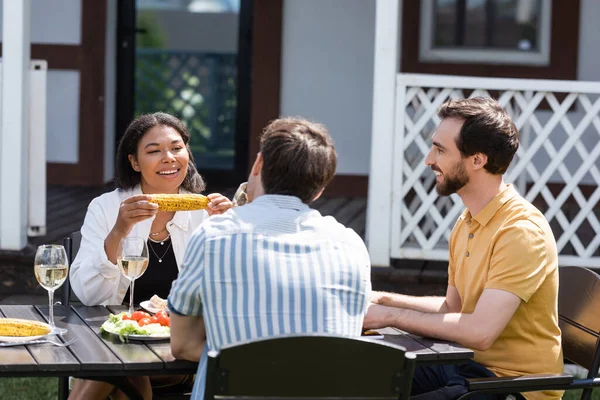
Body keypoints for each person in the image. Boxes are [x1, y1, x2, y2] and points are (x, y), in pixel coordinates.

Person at [364, 97, 563, 400]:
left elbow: (479, 333)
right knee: (360, 374)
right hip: (468, 368)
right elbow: (454, 309)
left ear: (477, 160)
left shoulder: (520, 232)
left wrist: (390, 317)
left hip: (512, 387)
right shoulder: (468, 222)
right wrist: (383, 298)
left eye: (441, 150)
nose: (429, 159)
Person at [167, 117, 372, 399]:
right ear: (320, 188)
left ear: (258, 164)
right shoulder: (351, 244)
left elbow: (183, 345)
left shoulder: (213, 235)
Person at [68, 112, 232, 400]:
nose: (168, 158)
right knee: (123, 361)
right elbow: (90, 296)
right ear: (134, 161)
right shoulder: (106, 208)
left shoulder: (207, 215)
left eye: (177, 148)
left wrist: (234, 230)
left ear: (188, 154)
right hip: (115, 337)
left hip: (178, 348)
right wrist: (119, 230)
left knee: (119, 366)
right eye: (154, 151)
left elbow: (228, 293)